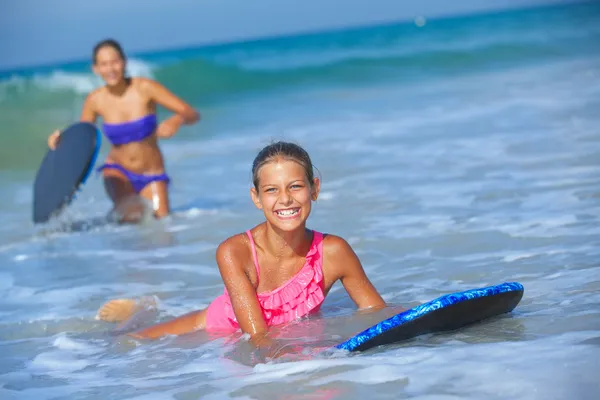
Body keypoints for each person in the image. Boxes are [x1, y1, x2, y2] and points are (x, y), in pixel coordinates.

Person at [96, 141, 387, 349]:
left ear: (315, 188)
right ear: (256, 197)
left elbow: (377, 315)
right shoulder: (235, 252)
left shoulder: (334, 252)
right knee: (123, 342)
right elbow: (259, 340)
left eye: (295, 186)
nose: (285, 199)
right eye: (271, 190)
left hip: (271, 337)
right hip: (216, 325)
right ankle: (141, 310)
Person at [47, 39, 200, 222]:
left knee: (162, 227)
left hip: (152, 173)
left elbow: (191, 113)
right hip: (117, 173)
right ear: (96, 69)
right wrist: (60, 141)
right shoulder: (95, 100)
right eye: (104, 64)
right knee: (133, 222)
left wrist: (177, 120)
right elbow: (83, 140)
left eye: (115, 62)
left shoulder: (145, 88)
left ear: (124, 62)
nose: (110, 69)